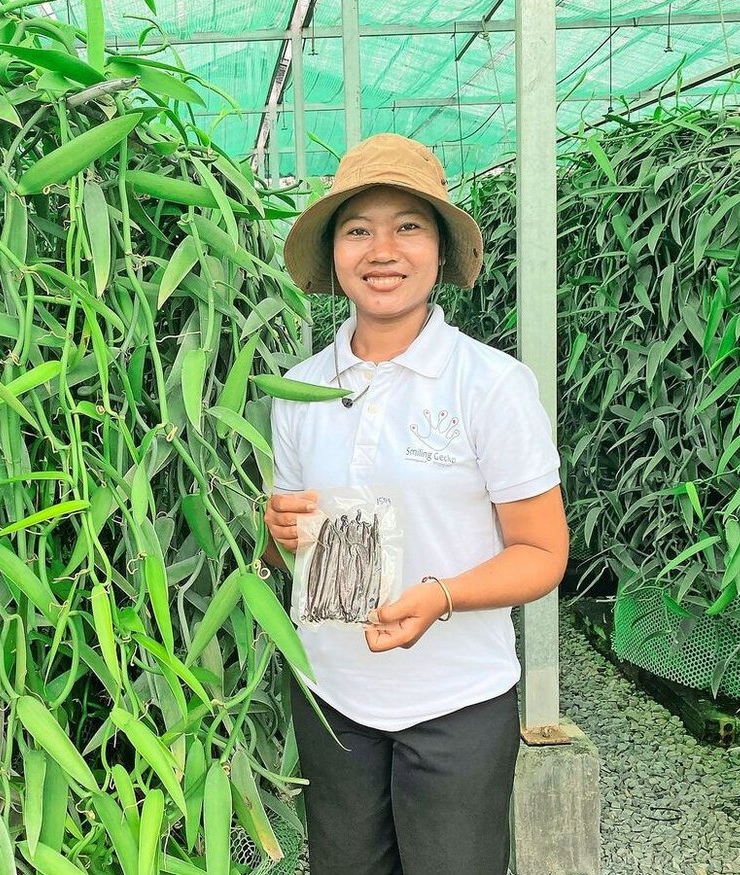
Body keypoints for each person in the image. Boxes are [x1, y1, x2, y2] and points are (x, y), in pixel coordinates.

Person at [261, 133, 570, 875]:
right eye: (358, 229)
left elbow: (542, 552)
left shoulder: (488, 385)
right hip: (333, 696)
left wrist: (441, 595)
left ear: (438, 249)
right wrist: (277, 532)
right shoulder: (301, 389)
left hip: (455, 701)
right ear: (334, 253)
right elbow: (281, 555)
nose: (383, 249)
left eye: (408, 226)